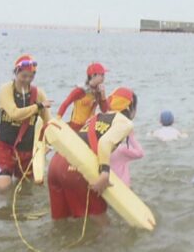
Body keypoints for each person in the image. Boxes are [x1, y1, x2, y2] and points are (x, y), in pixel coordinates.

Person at [48, 87, 137, 221]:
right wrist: (105, 173)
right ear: (130, 108)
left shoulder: (96, 117)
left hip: (56, 164)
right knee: (102, 225)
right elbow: (105, 143)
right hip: (76, 168)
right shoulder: (125, 122)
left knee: (62, 223)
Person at [0, 55, 53, 192]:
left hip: (27, 150)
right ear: (16, 72)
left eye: (31, 76)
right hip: (5, 147)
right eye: (23, 76)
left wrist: (47, 144)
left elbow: (47, 122)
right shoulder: (6, 90)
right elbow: (14, 113)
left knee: (27, 190)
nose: (27, 80)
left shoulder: (38, 94)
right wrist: (38, 107)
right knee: (2, 188)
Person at [57, 62, 110, 131]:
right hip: (76, 126)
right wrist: (58, 119)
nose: (104, 78)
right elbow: (66, 104)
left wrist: (103, 96)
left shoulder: (98, 91)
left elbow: (104, 110)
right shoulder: (80, 90)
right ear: (93, 75)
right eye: (102, 75)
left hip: (89, 126)